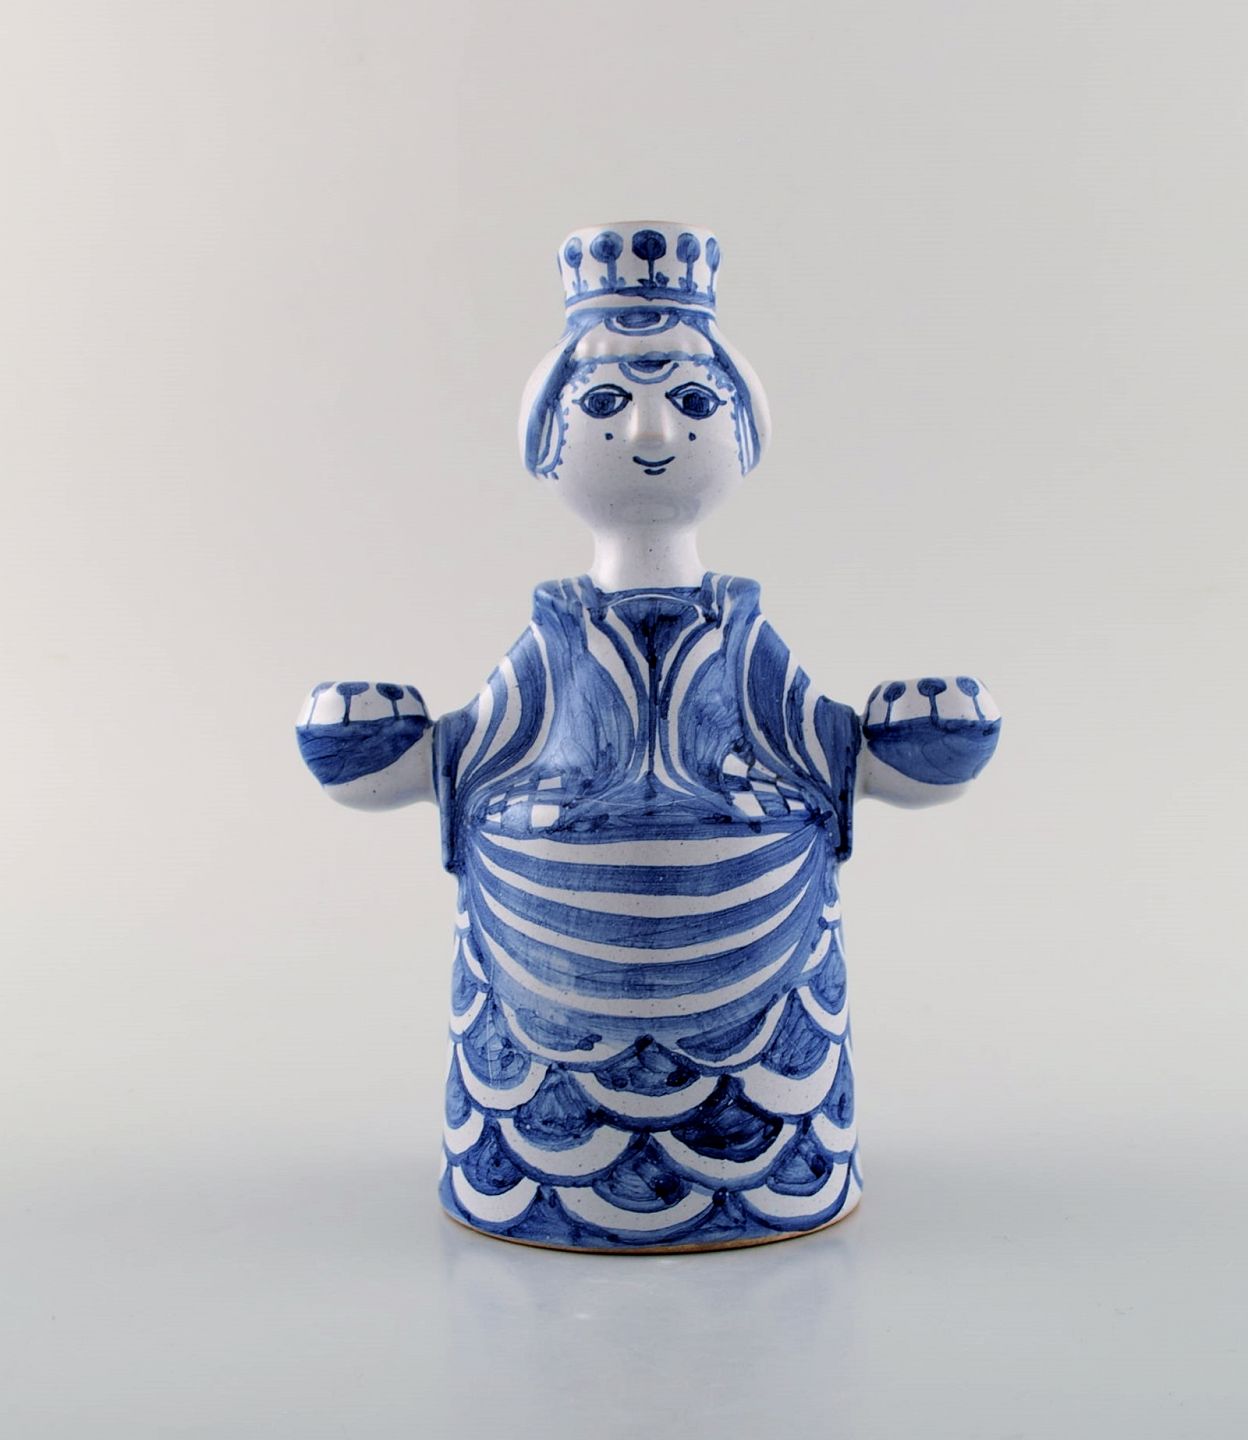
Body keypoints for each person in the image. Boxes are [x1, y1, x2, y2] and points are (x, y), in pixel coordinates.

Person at [296, 223, 1001, 1251]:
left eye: (696, 402)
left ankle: (762, 1174)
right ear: (546, 438)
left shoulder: (746, 635)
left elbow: (838, 754)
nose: (652, 428)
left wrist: (916, 745)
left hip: (758, 955)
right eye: (603, 404)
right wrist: (387, 748)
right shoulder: (551, 636)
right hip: (542, 953)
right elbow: (460, 756)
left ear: (744, 436)